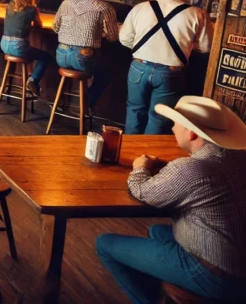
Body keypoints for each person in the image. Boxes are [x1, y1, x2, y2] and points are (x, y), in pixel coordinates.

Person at [96, 96, 246, 303]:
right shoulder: (239, 157)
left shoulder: (191, 169)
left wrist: (140, 167)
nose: (173, 127)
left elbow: (141, 190)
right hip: (238, 262)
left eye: (176, 123)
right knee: (156, 231)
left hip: (218, 276)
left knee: (104, 244)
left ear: (192, 133)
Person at [120, 0, 213, 134]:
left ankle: (127, 152)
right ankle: (147, 155)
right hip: (170, 72)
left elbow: (125, 39)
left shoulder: (141, 8)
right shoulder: (197, 14)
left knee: (134, 110)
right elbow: (205, 48)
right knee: (159, 117)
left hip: (139, 67)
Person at [53, 0, 120, 108]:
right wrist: (99, 33)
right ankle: (87, 104)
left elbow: (56, 28)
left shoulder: (66, 3)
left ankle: (62, 101)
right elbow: (113, 37)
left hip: (61, 56)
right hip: (82, 59)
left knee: (94, 66)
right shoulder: (105, 8)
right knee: (108, 70)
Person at [0, 0, 52, 97]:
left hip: (4, 44)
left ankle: (7, 88)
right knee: (45, 57)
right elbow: (38, 26)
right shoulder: (32, 10)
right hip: (18, 47)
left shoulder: (9, 7)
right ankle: (33, 80)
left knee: (27, 54)